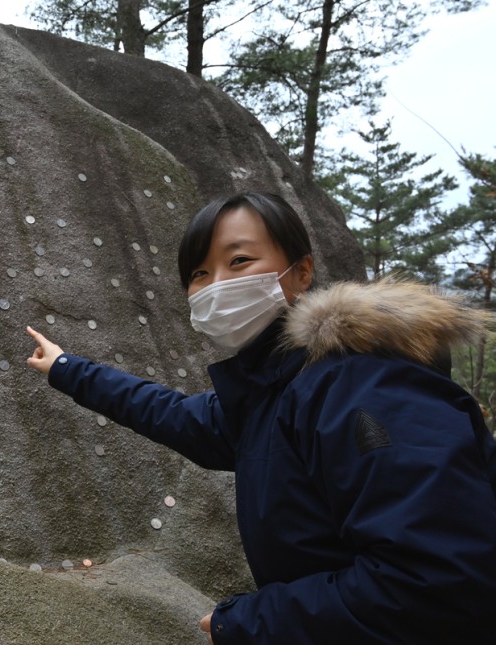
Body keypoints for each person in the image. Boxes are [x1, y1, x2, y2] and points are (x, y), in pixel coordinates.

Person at [26, 192, 496, 644]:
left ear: (301, 272)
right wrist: (68, 369)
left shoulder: (362, 384)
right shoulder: (274, 396)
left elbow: (438, 581)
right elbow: (168, 412)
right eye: (199, 273)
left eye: (239, 261)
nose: (217, 286)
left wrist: (251, 623)